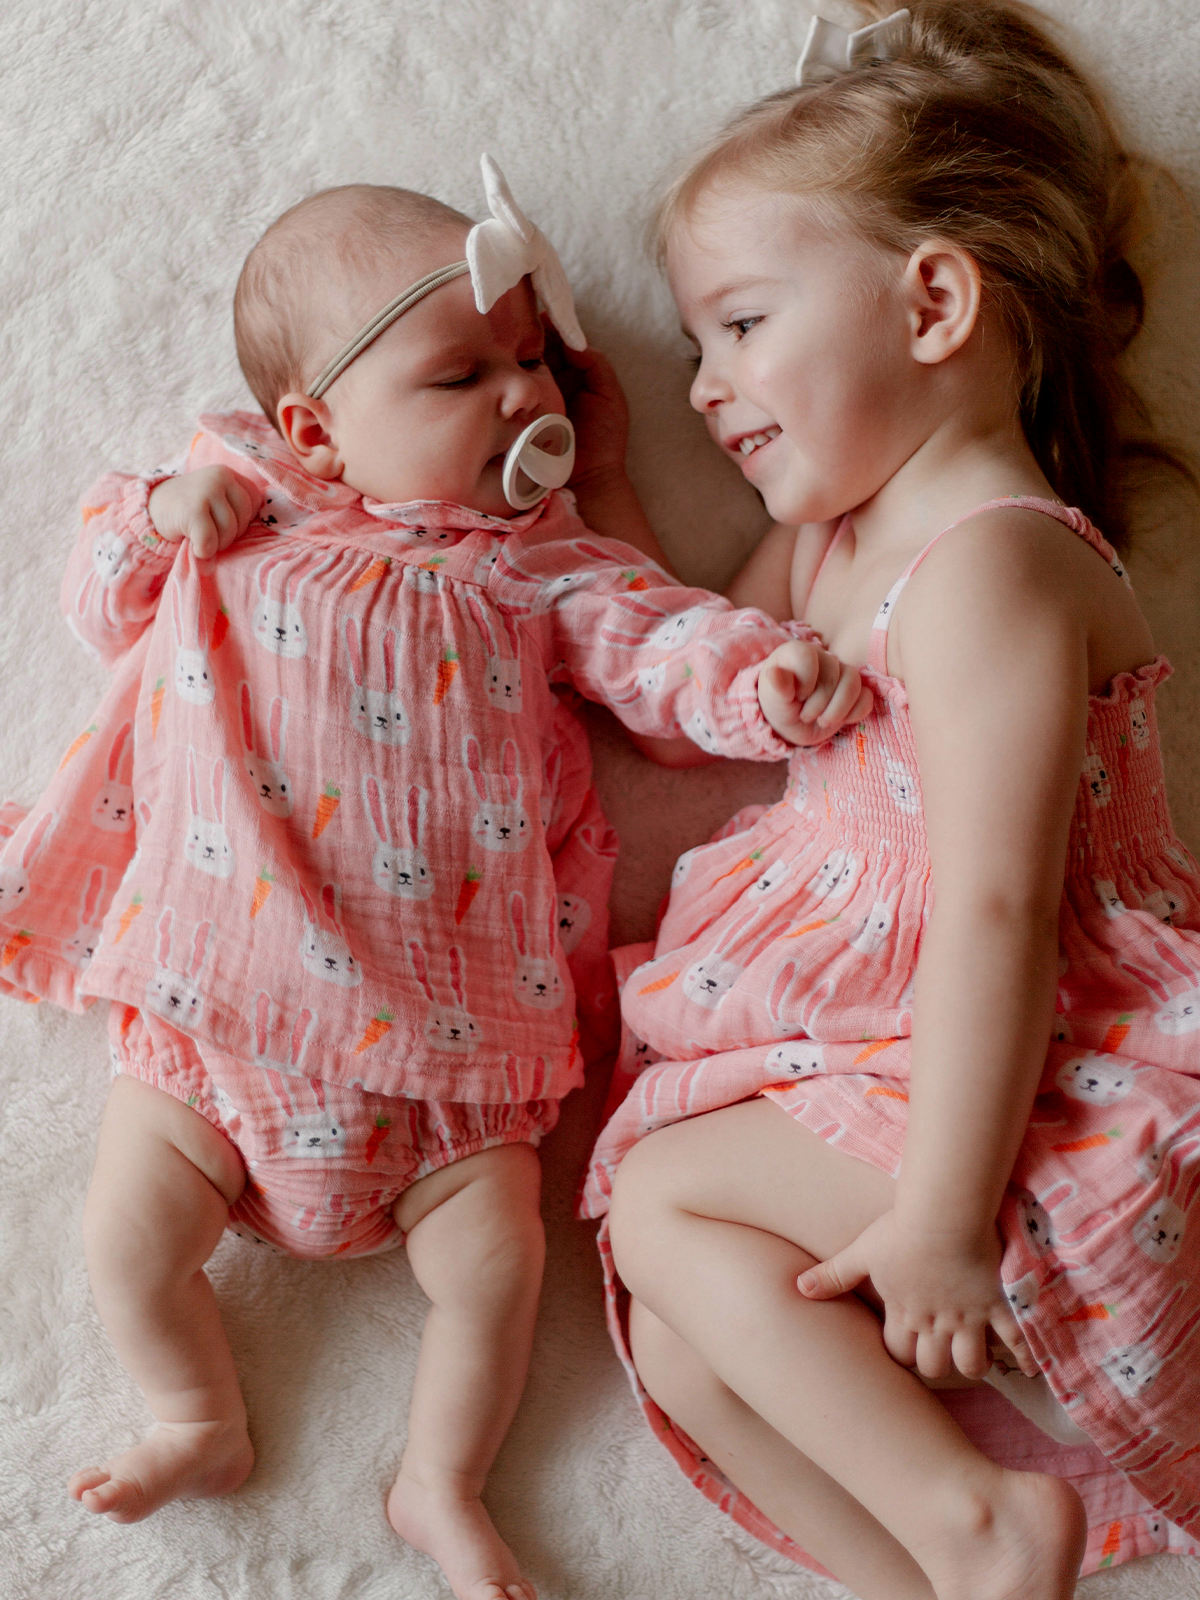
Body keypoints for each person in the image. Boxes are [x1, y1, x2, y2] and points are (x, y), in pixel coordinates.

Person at [0, 159, 867, 1600]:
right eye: (461, 373)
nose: (523, 397)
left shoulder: (541, 563)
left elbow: (658, 657)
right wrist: (164, 516)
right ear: (314, 430)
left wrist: (761, 683)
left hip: (453, 1057)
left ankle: (440, 1482)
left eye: (532, 358)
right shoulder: (250, 497)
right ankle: (194, 1414)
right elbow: (104, 596)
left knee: (495, 1270)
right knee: (127, 1233)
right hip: (221, 1017)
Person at [579, 4, 1200, 1596]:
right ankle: (939, 1576)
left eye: (738, 324)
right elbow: (683, 697)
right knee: (688, 1329)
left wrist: (939, 1220)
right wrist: (605, 495)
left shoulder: (993, 561)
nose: (710, 385)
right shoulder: (834, 535)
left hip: (1049, 1073)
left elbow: (999, 908)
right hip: (897, 1047)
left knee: (660, 1200)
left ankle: (988, 1526)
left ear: (931, 302)